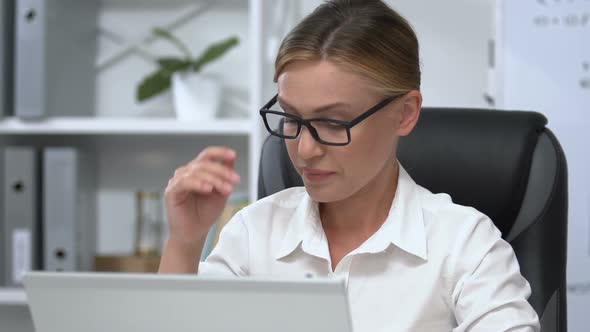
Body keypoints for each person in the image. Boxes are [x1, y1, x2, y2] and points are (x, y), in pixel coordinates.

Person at [159, 0, 540, 330]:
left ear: (405, 114)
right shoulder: (254, 233)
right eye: (291, 119)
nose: (305, 149)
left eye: (333, 123)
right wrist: (185, 241)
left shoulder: (465, 244)